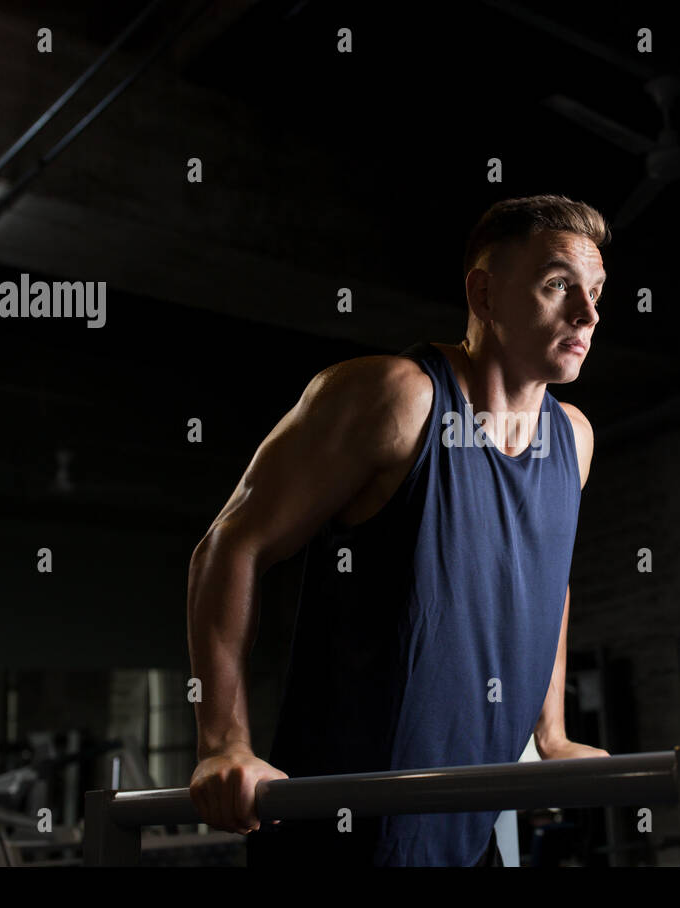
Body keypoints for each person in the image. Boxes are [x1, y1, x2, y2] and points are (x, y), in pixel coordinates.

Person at [187, 194, 611, 867]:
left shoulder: (574, 438)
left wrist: (551, 735)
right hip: (342, 834)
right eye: (558, 286)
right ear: (485, 292)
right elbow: (231, 545)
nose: (587, 314)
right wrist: (224, 745)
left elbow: (549, 582)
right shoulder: (397, 397)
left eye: (595, 292)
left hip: (468, 829)